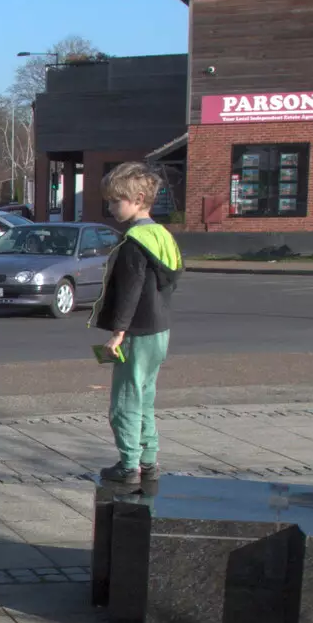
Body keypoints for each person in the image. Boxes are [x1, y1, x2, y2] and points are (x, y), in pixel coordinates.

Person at [93, 162, 182, 486]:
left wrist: (118, 333)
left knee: (125, 401)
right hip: (160, 329)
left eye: (116, 201)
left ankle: (129, 464)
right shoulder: (162, 236)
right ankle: (149, 460)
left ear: (139, 198)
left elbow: (129, 292)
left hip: (136, 332)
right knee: (145, 397)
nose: (111, 207)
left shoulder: (133, 242)